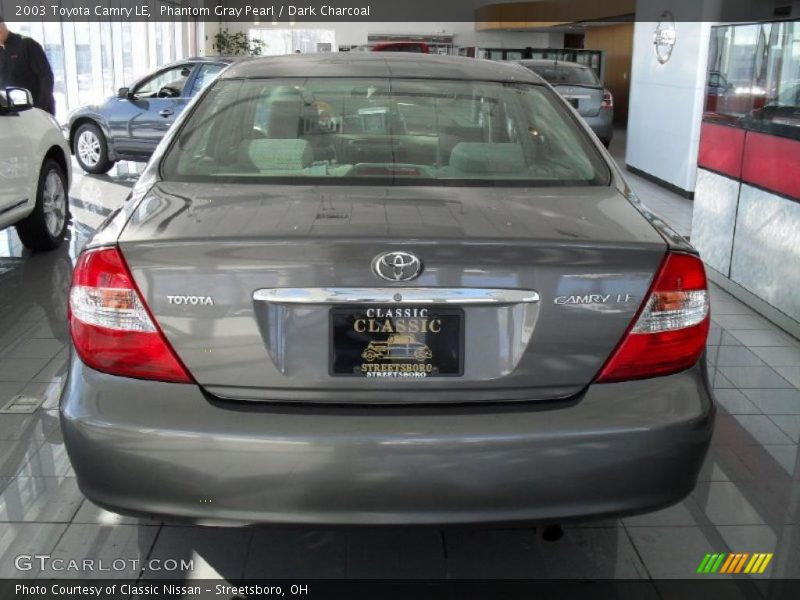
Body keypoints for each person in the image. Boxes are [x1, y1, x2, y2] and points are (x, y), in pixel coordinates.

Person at [0, 16, 56, 114]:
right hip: (9, 113)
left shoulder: (26, 44)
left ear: (3, 25)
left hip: (35, 109)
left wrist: (40, 108)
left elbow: (46, 77)